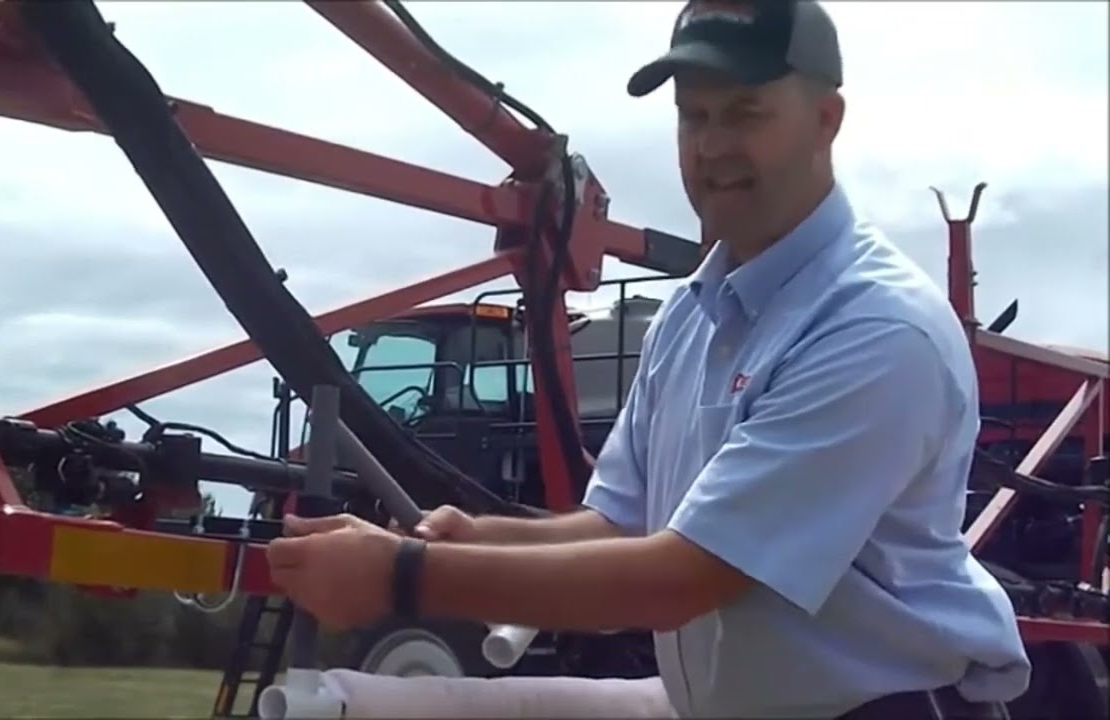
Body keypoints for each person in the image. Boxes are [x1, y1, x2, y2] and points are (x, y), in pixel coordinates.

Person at [267, 1, 1033, 717]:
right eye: (693, 116)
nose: (711, 146)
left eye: (745, 113)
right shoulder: (690, 314)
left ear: (826, 120)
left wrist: (403, 576)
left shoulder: (874, 326)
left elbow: (681, 577)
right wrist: (480, 533)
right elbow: (621, 524)